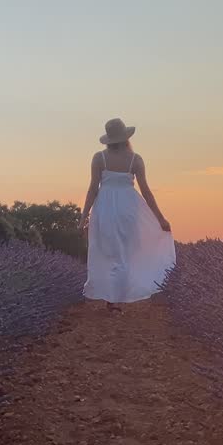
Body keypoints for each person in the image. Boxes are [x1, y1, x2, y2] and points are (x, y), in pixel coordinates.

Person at [80, 118, 176, 308]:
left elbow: (93, 189)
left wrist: (83, 217)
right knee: (125, 253)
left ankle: (112, 298)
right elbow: (146, 192)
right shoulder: (135, 159)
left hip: (105, 208)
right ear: (125, 137)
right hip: (129, 209)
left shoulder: (99, 158)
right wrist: (160, 219)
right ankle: (118, 296)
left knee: (109, 252)